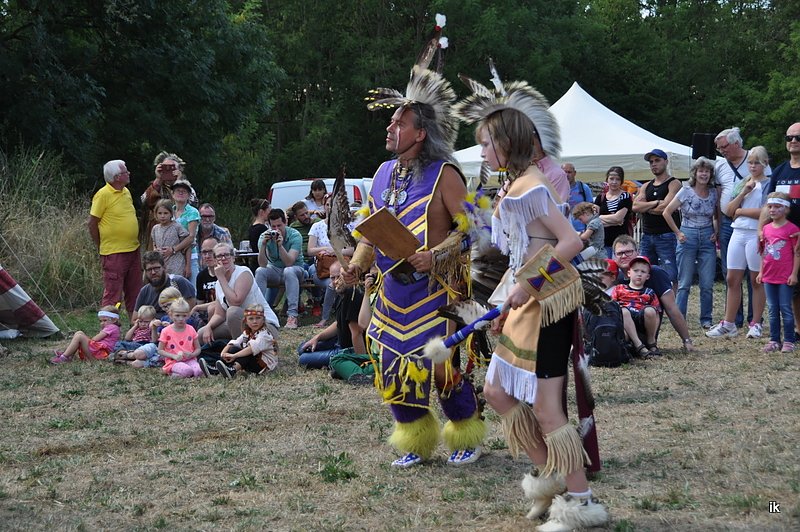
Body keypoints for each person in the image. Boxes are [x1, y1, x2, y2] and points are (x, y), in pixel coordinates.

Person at [455, 76, 608, 528]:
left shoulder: (533, 185)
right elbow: (523, 253)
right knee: (497, 392)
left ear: (506, 143)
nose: (482, 152)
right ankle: (551, 478)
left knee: (546, 408)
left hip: (550, 303)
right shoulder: (517, 182)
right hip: (527, 300)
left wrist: (527, 287)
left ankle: (581, 503)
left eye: (486, 144)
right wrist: (505, 301)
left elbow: (570, 243)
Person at [344, 24, 485, 470]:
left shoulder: (445, 174)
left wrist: (437, 253)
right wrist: (354, 263)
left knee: (441, 368)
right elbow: (372, 231)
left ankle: (466, 432)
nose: (390, 126)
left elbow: (474, 229)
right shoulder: (383, 173)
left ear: (420, 133)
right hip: (390, 294)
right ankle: (415, 439)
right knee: (391, 369)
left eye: (399, 121)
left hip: (436, 292)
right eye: (391, 120)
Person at [707, 146, 770, 339]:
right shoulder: (744, 182)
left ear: (764, 164)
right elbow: (729, 209)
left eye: (756, 162)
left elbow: (767, 210)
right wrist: (743, 193)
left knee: (755, 279)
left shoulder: (769, 183)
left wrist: (741, 211)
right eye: (750, 162)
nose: (752, 166)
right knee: (732, 278)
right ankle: (729, 322)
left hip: (754, 233)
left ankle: (756, 323)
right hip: (738, 232)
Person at [662, 157, 719, 328]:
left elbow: (717, 216)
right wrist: (678, 232)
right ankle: (679, 319)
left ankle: (706, 319)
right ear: (695, 173)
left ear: (710, 174)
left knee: (707, 283)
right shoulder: (686, 191)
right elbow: (667, 212)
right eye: (701, 171)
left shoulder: (714, 193)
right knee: (685, 282)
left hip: (707, 236)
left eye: (707, 171)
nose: (703, 174)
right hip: (688, 235)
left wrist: (715, 232)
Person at [612, 235, 695, 352]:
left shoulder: (655, 273)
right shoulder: (615, 278)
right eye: (620, 253)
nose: (624, 256)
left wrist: (686, 340)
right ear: (615, 257)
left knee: (649, 310)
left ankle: (648, 344)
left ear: (637, 252)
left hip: (647, 329)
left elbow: (672, 309)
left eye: (629, 252)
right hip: (624, 331)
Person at [88, 160, 142, 317]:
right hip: (114, 252)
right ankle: (108, 328)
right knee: (113, 293)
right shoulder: (102, 195)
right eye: (126, 172)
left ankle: (136, 326)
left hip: (133, 248)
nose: (129, 174)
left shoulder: (126, 192)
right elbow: (92, 223)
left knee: (135, 290)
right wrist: (101, 245)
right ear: (117, 177)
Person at [198, 242, 280, 343]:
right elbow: (219, 314)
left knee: (232, 312)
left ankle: (243, 354)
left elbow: (236, 301)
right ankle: (214, 355)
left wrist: (221, 277)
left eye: (227, 255)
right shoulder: (219, 283)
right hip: (239, 324)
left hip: (263, 325)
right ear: (215, 260)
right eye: (219, 256)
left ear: (233, 258)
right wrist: (208, 326)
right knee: (200, 335)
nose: (223, 258)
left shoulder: (243, 272)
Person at [764, 122, 800, 334]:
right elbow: (769, 205)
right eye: (790, 138)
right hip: (785, 241)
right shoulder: (779, 171)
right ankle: (796, 329)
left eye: (798, 138)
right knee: (792, 288)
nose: (794, 141)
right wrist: (762, 230)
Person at [298, 263, 365, 369]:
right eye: (332, 278)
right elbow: (338, 323)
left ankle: (343, 361)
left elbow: (356, 332)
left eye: (339, 277)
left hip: (345, 349)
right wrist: (317, 338)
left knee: (303, 359)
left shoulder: (353, 294)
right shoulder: (341, 292)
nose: (335, 281)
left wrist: (362, 362)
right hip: (337, 340)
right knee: (301, 348)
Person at [757, 192, 800, 353]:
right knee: (772, 309)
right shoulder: (766, 229)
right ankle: (774, 339)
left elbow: (797, 253)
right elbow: (764, 252)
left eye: (777, 206)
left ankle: (789, 340)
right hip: (769, 276)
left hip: (784, 277)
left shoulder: (792, 229)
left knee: (785, 308)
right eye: (770, 207)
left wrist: (794, 274)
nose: (773, 210)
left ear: (786, 209)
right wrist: (761, 272)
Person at [633, 149, 682, 286]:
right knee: (644, 273)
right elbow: (635, 206)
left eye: (657, 160)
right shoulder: (646, 186)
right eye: (651, 162)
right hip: (647, 235)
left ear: (666, 162)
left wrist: (647, 207)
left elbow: (665, 208)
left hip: (666, 235)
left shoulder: (674, 183)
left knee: (670, 275)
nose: (654, 164)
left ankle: (671, 306)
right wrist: (655, 203)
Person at [254, 209, 306, 329]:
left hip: (296, 270)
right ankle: (259, 313)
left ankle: (292, 315)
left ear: (285, 223)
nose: (276, 230)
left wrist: (280, 245)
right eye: (273, 226)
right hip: (275, 270)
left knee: (289, 271)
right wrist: (263, 246)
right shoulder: (264, 237)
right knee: (260, 271)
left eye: (279, 226)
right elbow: (262, 264)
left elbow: (289, 262)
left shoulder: (295, 235)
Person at [141, 152, 195, 249]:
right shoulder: (155, 187)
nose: (169, 171)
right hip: (158, 237)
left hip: (181, 237)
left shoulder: (187, 188)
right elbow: (144, 201)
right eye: (165, 168)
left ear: (180, 170)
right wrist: (158, 179)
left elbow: (193, 203)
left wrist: (179, 181)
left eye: (173, 168)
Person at [610, 256, 663, 356]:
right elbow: (612, 307)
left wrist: (654, 334)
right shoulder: (619, 288)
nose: (639, 274)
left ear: (647, 276)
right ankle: (638, 345)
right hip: (624, 323)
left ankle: (651, 342)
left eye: (643, 272)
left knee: (651, 310)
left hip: (642, 322)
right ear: (629, 273)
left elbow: (657, 314)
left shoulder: (649, 292)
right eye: (636, 271)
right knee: (623, 311)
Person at [208, 304, 278, 379]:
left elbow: (250, 349)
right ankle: (216, 369)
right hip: (254, 361)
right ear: (246, 321)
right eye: (251, 319)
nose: (255, 321)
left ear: (263, 319)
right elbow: (236, 342)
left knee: (246, 352)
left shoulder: (264, 335)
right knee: (234, 349)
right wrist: (223, 353)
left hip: (263, 366)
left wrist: (234, 356)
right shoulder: (248, 332)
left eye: (258, 318)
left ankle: (233, 370)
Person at [131, 251, 196, 322]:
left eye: (156, 268)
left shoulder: (179, 282)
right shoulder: (144, 291)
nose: (153, 272)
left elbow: (191, 312)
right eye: (149, 270)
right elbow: (134, 319)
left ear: (164, 267)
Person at [307, 195, 341, 327]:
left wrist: (336, 251)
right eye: (328, 204)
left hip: (341, 267)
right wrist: (326, 248)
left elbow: (352, 250)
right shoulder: (317, 226)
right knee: (332, 284)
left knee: (340, 282)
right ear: (324, 206)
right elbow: (310, 250)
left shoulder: (346, 226)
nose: (331, 207)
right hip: (322, 270)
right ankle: (324, 318)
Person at [50, 306, 121, 364]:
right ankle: (69, 355)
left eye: (105, 320)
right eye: (100, 321)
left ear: (114, 320)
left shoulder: (112, 327)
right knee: (79, 333)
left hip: (103, 352)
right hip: (100, 349)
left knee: (79, 336)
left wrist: (86, 341)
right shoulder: (112, 327)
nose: (102, 323)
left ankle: (64, 357)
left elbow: (95, 339)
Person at [594, 166, 633, 258]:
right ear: (607, 179)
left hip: (621, 243)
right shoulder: (600, 197)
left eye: (618, 179)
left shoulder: (625, 196)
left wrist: (600, 218)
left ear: (621, 181)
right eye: (611, 179)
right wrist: (614, 220)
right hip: (603, 242)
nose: (614, 182)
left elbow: (618, 218)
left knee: (620, 270)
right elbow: (593, 219)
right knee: (605, 270)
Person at [158, 297, 202, 378]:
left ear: (188, 315)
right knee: (187, 371)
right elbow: (160, 350)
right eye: (177, 315)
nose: (181, 319)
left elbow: (198, 349)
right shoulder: (166, 331)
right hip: (174, 362)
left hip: (190, 360)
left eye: (184, 316)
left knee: (198, 371)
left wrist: (192, 355)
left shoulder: (191, 329)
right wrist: (173, 356)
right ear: (170, 315)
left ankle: (182, 374)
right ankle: (171, 373)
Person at [150, 198, 191, 276]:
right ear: (156, 214)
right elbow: (154, 243)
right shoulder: (155, 228)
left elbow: (188, 245)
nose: (162, 216)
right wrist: (155, 250)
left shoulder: (177, 227)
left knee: (175, 286)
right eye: (160, 213)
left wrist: (188, 266)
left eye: (165, 213)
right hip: (161, 264)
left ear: (171, 214)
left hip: (176, 264)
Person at [171, 179, 200, 284]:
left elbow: (191, 237)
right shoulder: (169, 212)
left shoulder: (193, 212)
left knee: (192, 288)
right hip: (173, 258)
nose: (181, 192)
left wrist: (174, 249)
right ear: (172, 194)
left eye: (184, 191)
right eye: (178, 190)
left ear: (189, 195)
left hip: (190, 255)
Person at [192, 237, 219, 325]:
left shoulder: (227, 273)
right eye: (204, 252)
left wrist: (197, 307)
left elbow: (226, 302)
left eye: (211, 252)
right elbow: (200, 301)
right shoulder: (201, 276)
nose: (207, 256)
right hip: (206, 316)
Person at [562, 163, 593, 231]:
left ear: (574, 173)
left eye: (569, 172)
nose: (567, 175)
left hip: (581, 230)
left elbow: (591, 209)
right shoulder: (556, 188)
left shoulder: (583, 188)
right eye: (564, 172)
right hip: (562, 230)